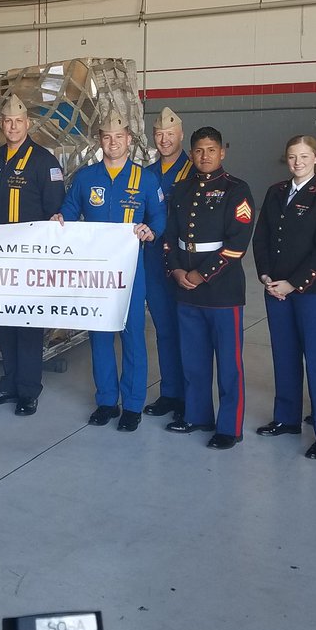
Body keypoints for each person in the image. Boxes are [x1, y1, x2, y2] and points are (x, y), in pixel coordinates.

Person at [54, 110, 165, 431]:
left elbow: (159, 215)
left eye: (119, 137)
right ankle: (106, 401)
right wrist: (60, 220)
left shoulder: (145, 179)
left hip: (132, 272)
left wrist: (151, 231)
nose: (113, 143)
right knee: (100, 336)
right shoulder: (86, 178)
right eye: (107, 137)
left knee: (132, 337)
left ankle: (132, 405)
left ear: (129, 139)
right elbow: (70, 210)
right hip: (96, 274)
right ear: (100, 141)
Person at [161, 126, 254, 450]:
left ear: (222, 152)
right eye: (199, 150)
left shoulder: (236, 190)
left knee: (229, 364)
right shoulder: (181, 189)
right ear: (191, 153)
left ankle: (229, 427)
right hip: (186, 288)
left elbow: (237, 244)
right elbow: (170, 236)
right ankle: (197, 415)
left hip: (222, 290)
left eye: (211, 150)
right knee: (194, 359)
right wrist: (175, 269)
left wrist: (202, 274)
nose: (205, 156)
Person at [252, 135, 316, 460]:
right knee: (284, 355)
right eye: (292, 157)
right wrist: (265, 275)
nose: (298, 162)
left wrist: (292, 284)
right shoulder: (275, 192)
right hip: (276, 289)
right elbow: (261, 237)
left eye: (304, 156)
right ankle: (287, 418)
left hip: (312, 291)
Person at [0, 94, 66, 417]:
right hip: (0, 257)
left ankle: (28, 390)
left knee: (28, 322)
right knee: (5, 322)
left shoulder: (45, 161)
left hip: (31, 259)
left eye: (18, 121)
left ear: (28, 124)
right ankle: (9, 383)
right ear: (1, 125)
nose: (13, 127)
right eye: (7, 122)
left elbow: (55, 211)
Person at [142, 107, 193, 422]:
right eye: (159, 134)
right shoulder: (146, 174)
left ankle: (190, 397)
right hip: (153, 262)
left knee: (188, 331)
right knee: (163, 330)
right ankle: (170, 392)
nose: (164, 140)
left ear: (181, 135)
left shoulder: (194, 170)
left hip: (184, 263)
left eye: (170, 134)